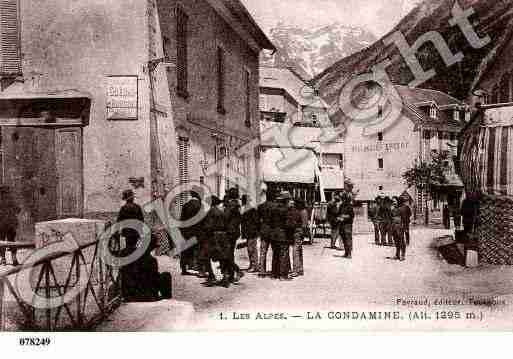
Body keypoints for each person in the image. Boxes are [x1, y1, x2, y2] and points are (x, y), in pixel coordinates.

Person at [121, 235, 172, 302]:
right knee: (166, 275)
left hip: (130, 294)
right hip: (145, 294)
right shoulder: (151, 260)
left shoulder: (130, 254)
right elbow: (153, 279)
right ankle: (160, 296)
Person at [203, 195, 229, 287]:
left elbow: (208, 226)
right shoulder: (222, 212)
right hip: (223, 236)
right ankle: (225, 277)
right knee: (222, 257)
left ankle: (211, 276)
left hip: (213, 236)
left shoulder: (211, 212)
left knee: (206, 255)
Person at [179, 186, 204, 276]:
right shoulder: (201, 206)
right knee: (200, 249)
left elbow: (181, 221)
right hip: (198, 232)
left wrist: (183, 232)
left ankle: (184, 269)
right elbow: (203, 221)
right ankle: (201, 269)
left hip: (187, 232)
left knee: (186, 249)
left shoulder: (185, 205)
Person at [222, 188, 243, 283]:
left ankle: (237, 271)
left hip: (229, 232)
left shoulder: (231, 205)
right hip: (234, 232)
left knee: (227, 254)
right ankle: (229, 274)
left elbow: (225, 217)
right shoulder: (237, 205)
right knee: (230, 253)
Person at [272, 191, 292, 280]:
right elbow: (288, 224)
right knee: (283, 254)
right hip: (283, 234)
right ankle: (283, 275)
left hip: (274, 234)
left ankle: (274, 274)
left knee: (275, 254)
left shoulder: (274, 209)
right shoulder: (286, 210)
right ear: (286, 200)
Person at [257, 189, 276, 277]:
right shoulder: (275, 206)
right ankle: (274, 270)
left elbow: (258, 220)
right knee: (274, 251)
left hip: (264, 230)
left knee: (263, 251)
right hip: (273, 230)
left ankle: (261, 271)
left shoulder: (261, 206)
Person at [0, 186, 21, 266]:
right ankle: (14, 259)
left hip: (1, 224)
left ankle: (3, 259)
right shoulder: (11, 199)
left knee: (2, 241)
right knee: (12, 241)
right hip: (11, 224)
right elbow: (18, 209)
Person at [241, 194, 259, 273]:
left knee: (252, 249)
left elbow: (256, 221)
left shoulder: (251, 209)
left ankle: (254, 265)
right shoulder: (246, 209)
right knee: (250, 249)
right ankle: (253, 264)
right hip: (249, 232)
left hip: (252, 232)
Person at [291, 199, 306, 277]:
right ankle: (300, 269)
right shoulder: (302, 211)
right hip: (299, 232)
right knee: (299, 251)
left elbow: (304, 225)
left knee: (296, 251)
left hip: (297, 232)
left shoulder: (302, 212)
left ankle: (296, 270)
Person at [338, 192, 355, 258]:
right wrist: (339, 217)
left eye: (343, 198)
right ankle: (346, 252)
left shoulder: (349, 206)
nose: (342, 200)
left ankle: (349, 253)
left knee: (348, 239)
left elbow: (351, 215)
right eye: (342, 199)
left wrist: (344, 217)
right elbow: (339, 213)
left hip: (347, 225)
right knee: (344, 239)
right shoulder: (341, 205)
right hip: (342, 224)